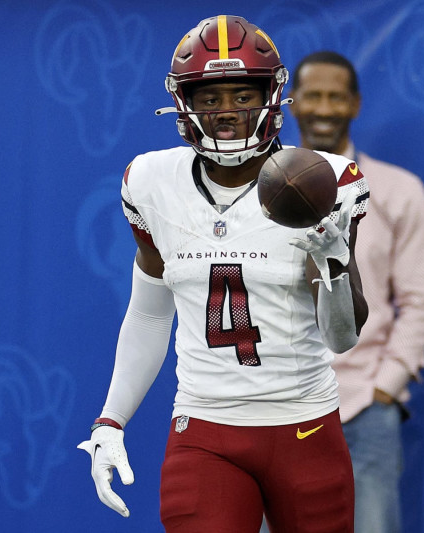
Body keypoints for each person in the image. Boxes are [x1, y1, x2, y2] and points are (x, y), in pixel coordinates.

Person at [78, 17, 370, 533]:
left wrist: (334, 266)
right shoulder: (150, 181)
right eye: (210, 99)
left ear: (272, 97)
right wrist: (111, 419)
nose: (227, 112)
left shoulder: (325, 181)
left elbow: (342, 338)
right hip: (205, 427)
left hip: (303, 423)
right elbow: (148, 315)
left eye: (242, 94)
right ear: (185, 104)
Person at [286, 50, 424, 533]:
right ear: (292, 104)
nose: (325, 108)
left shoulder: (398, 190)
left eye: (337, 97)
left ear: (355, 104)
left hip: (364, 409)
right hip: (276, 404)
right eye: (313, 95)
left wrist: (386, 387)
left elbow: (421, 300)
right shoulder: (255, 193)